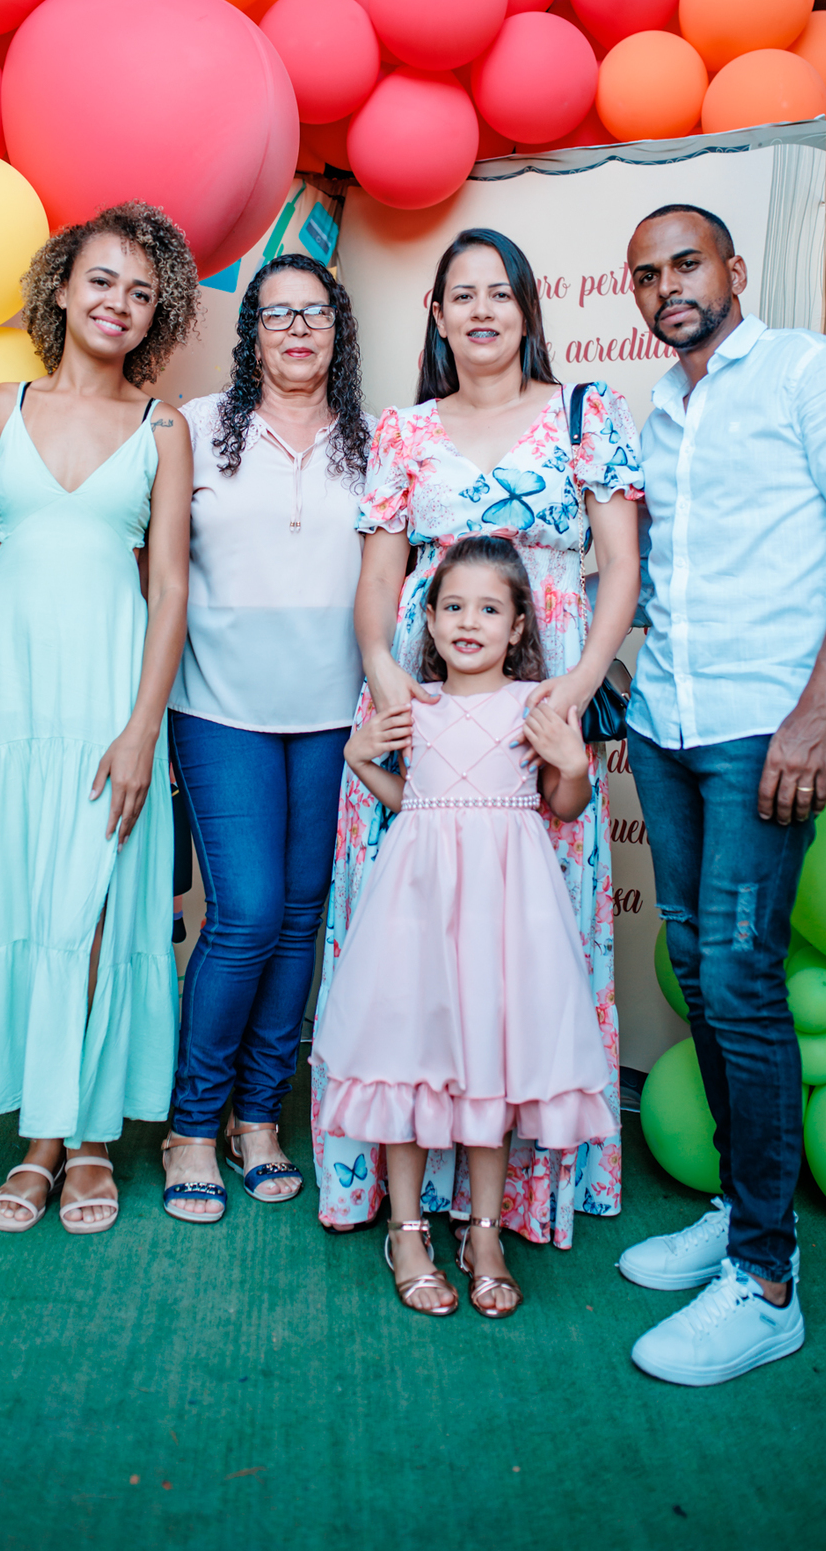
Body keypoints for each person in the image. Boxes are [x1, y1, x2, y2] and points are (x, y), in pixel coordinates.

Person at [618, 202, 826, 1384]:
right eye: (647, 275)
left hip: (763, 729)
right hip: (665, 725)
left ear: (734, 269)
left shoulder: (811, 370)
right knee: (702, 973)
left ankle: (766, 1280)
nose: (667, 288)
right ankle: (741, 1212)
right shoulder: (660, 409)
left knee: (742, 985)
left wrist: (818, 710)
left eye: (685, 264)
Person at [312, 226, 644, 1244]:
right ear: (439, 315)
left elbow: (621, 567)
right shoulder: (404, 432)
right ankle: (398, 1190)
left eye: (500, 293)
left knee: (529, 927)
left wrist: (573, 690)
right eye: (463, 294)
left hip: (542, 692)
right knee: (407, 930)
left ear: (527, 308)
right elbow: (378, 579)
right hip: (425, 692)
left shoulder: (586, 412)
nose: (483, 310)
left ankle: (510, 1198)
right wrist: (384, 673)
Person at [0, 202, 197, 1237]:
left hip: (108, 702)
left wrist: (142, 730)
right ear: (60, 286)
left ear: (157, 315)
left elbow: (168, 589)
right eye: (102, 280)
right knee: (30, 909)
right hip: (8, 698)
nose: (118, 303)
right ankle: (41, 1138)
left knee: (91, 914)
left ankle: (87, 1140)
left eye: (142, 292)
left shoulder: (163, 428)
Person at [314, 537, 617, 1316]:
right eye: (453, 607)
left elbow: (564, 806)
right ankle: (407, 1231)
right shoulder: (413, 705)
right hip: (416, 907)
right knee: (405, 1057)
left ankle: (484, 1236)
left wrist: (573, 766)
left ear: (518, 627)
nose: (468, 622)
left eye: (488, 609)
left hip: (505, 912)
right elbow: (415, 803)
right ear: (429, 618)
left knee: (493, 1064)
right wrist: (359, 758)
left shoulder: (537, 703)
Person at [162, 254, 374, 1223]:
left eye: (314, 312)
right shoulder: (197, 427)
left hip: (337, 715)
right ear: (250, 332)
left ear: (339, 329)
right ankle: (191, 1125)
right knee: (244, 915)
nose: (297, 329)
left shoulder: (375, 440)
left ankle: (257, 1117)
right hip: (220, 707)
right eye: (277, 314)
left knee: (298, 918)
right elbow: (156, 569)